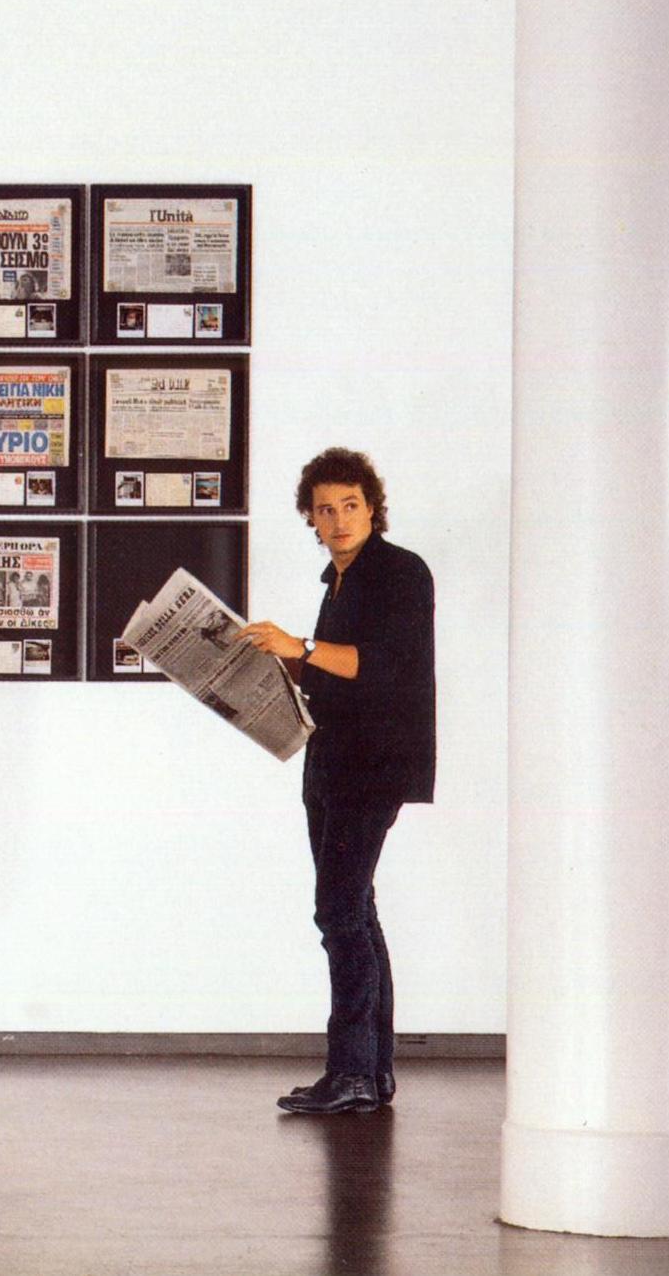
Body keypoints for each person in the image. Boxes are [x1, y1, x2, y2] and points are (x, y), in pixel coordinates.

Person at [240, 447, 435, 1115]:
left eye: (350, 505)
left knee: (339, 911)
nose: (339, 519)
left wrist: (299, 646)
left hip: (373, 765)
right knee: (354, 911)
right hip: (330, 759)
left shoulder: (401, 572)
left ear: (373, 508)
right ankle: (370, 1074)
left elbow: (385, 665)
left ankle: (351, 1072)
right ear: (310, 519)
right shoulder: (338, 581)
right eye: (325, 510)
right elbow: (330, 669)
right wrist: (263, 662)